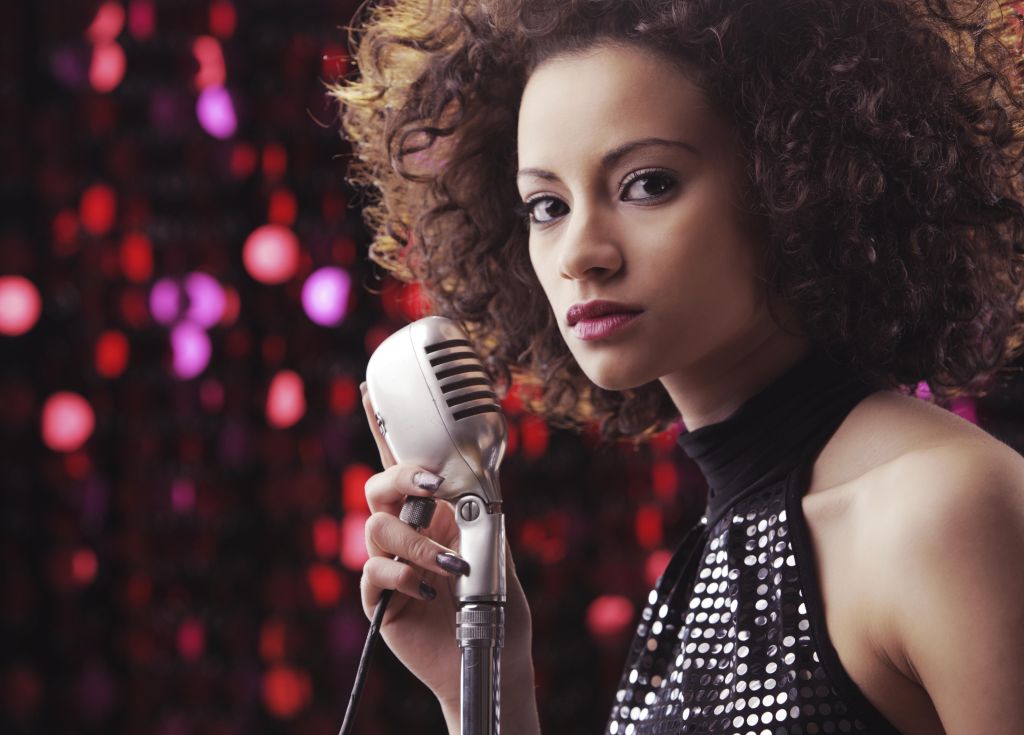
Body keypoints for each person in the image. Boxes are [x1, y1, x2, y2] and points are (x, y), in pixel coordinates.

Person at [332, 0, 1024, 732]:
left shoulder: (947, 512)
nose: (578, 253)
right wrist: (484, 677)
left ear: (794, 175)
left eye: (647, 184)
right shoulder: (707, 560)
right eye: (545, 205)